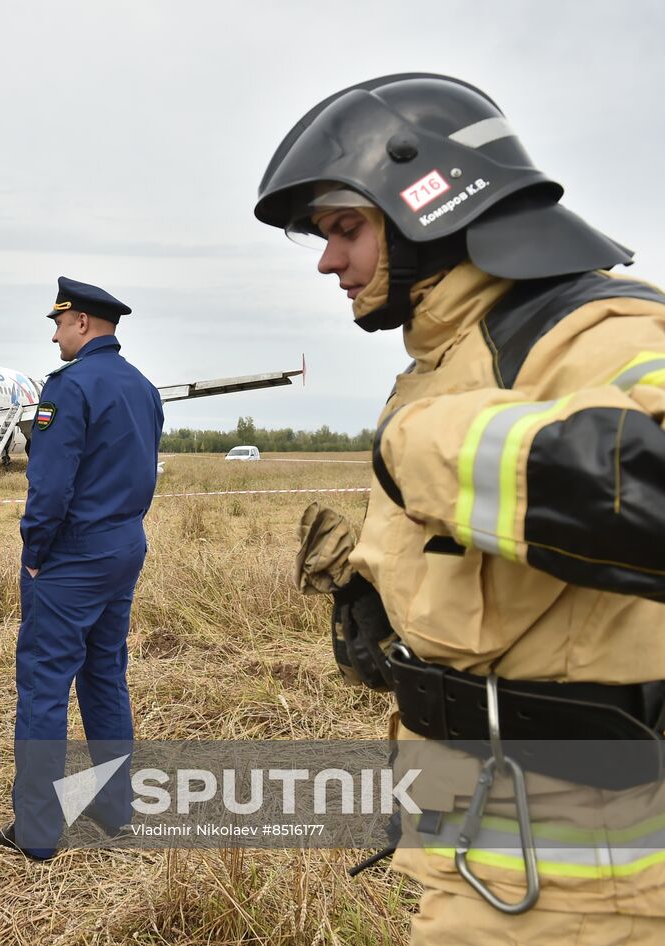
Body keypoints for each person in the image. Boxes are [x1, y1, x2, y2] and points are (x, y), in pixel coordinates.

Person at [259, 75, 665, 941]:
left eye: (346, 227)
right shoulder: (451, 352)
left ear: (429, 206)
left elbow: (643, 485)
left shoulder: (603, 331)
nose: (330, 260)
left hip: (589, 874)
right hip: (482, 828)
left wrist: (427, 447)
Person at [0, 277, 163, 860]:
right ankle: (115, 808)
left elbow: (49, 484)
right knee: (104, 675)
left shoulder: (69, 387)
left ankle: (38, 831)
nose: (55, 334)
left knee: (44, 685)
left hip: (72, 554)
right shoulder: (143, 388)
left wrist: (36, 552)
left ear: (84, 324)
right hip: (123, 546)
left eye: (60, 323)